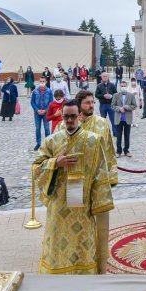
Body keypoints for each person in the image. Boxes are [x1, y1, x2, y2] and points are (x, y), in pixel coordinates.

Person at [32, 99, 115, 274]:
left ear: (79, 116)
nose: (69, 120)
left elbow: (101, 173)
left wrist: (99, 204)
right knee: (57, 245)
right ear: (61, 116)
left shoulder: (94, 141)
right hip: (58, 207)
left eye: (73, 116)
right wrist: (55, 163)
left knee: (82, 246)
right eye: (66, 116)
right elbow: (36, 168)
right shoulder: (52, 141)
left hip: (83, 208)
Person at [77, 90, 118, 187]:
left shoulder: (102, 123)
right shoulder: (70, 124)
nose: (91, 105)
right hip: (77, 178)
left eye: (92, 102)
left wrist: (112, 176)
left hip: (99, 177)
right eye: (87, 103)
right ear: (78, 105)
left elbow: (109, 151)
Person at [111, 81, 137, 156]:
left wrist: (126, 107)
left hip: (127, 119)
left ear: (127, 86)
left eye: (124, 86)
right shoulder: (115, 95)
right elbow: (112, 106)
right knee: (118, 136)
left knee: (127, 135)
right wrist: (119, 109)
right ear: (120, 86)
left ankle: (126, 151)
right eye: (122, 86)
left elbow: (134, 106)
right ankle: (118, 151)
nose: (123, 87)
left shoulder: (131, 95)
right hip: (118, 119)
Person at [31, 78, 53, 149]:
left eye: (43, 81)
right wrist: (37, 110)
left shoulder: (49, 91)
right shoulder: (35, 91)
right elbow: (32, 102)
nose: (42, 82)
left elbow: (51, 102)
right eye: (40, 81)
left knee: (47, 128)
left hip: (46, 113)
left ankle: (48, 143)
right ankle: (38, 143)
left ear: (46, 82)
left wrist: (45, 110)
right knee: (38, 128)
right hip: (37, 113)